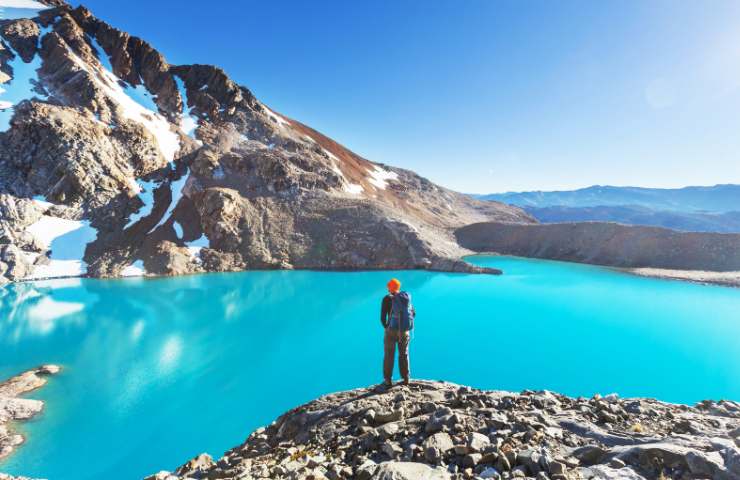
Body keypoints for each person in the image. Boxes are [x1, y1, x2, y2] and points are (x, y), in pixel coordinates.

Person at [380, 278, 415, 387]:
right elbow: (413, 313)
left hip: (391, 331)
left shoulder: (386, 299)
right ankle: (406, 378)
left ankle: (388, 380)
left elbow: (382, 318)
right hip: (404, 331)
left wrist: (387, 327)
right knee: (404, 354)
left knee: (389, 355)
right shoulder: (405, 298)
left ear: (390, 288)